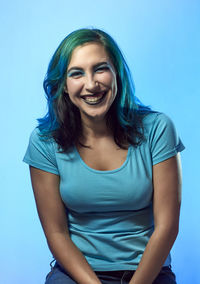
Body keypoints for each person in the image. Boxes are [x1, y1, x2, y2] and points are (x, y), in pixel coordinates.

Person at [23, 28, 185, 284]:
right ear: (64, 85)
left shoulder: (158, 129)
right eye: (76, 73)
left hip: (149, 273)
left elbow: (167, 228)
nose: (91, 84)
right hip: (75, 275)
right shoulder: (44, 142)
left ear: (116, 73)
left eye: (100, 69)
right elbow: (56, 233)